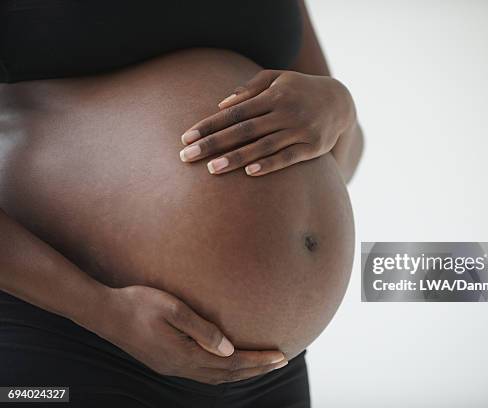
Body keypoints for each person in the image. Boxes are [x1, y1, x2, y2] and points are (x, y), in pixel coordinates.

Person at [0, 1, 363, 407]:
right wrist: (103, 312)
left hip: (271, 373)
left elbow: (341, 159)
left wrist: (340, 110)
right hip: (73, 335)